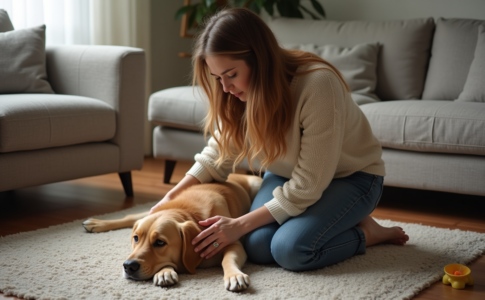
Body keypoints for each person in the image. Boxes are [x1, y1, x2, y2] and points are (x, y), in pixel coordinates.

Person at [150, 8, 409, 271]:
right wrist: (169, 199)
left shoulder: (318, 84)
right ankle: (335, 222)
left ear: (259, 60)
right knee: (257, 247)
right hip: (286, 176)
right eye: (217, 78)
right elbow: (217, 155)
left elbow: (308, 184)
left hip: (352, 178)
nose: (225, 88)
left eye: (231, 74)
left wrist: (239, 224)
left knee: (291, 250)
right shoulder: (236, 94)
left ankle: (367, 234)